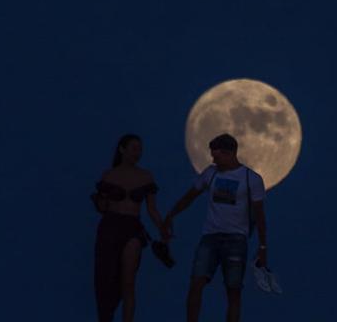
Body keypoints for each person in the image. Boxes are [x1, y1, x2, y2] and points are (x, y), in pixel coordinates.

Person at [163, 133, 268, 322]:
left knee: (233, 290)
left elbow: (259, 215)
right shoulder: (210, 173)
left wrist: (262, 247)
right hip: (210, 237)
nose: (213, 159)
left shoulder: (251, 178)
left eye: (216, 155)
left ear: (229, 153)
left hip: (236, 239)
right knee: (196, 282)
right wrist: (171, 215)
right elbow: (190, 196)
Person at [91, 134, 168, 322]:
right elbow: (103, 207)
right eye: (134, 148)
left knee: (128, 282)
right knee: (106, 279)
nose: (138, 152)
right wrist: (99, 200)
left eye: (140, 149)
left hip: (132, 227)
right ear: (122, 149)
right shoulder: (109, 175)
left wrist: (163, 227)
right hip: (110, 226)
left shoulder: (145, 176)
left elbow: (151, 209)